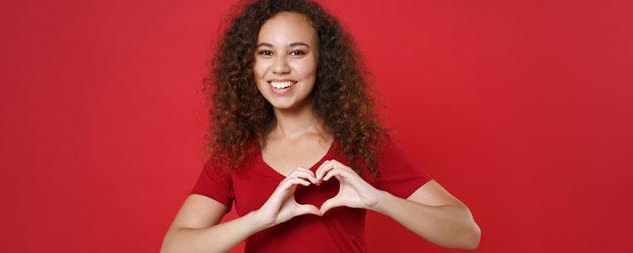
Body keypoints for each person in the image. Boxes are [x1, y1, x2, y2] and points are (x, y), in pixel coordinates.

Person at [161, 0, 481, 252]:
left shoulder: (360, 143)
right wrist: (260, 219)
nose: (281, 67)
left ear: (321, 61)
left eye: (297, 52)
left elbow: (467, 233)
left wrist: (378, 199)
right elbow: (174, 248)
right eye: (266, 52)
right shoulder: (235, 152)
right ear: (250, 64)